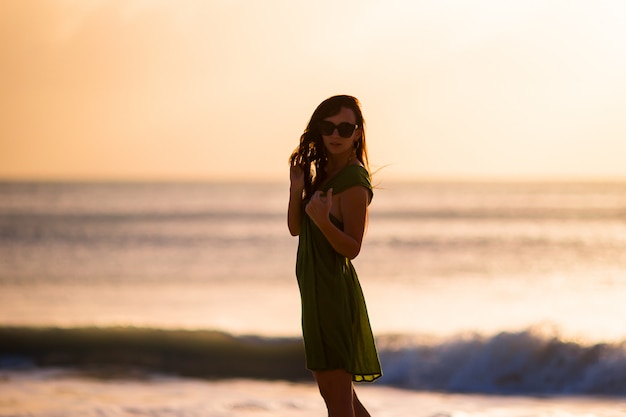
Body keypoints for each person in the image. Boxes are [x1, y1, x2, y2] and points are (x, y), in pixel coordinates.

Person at [288, 95, 382, 417]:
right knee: (344, 400)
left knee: (338, 403)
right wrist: (296, 188)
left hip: (333, 298)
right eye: (329, 127)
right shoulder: (323, 172)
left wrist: (324, 222)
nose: (336, 135)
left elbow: (352, 248)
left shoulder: (354, 182)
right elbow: (295, 228)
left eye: (345, 128)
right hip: (315, 294)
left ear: (357, 133)